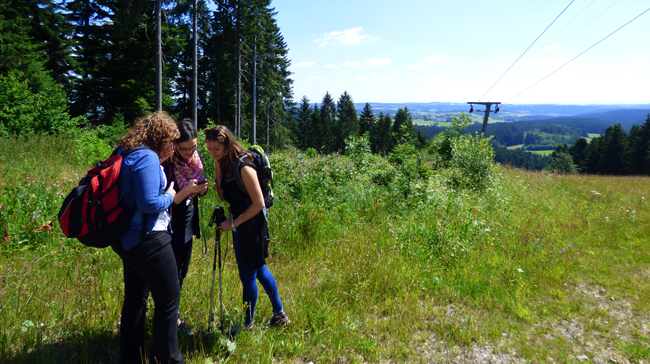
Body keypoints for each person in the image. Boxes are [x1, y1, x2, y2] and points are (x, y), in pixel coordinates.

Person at [111, 111, 183, 364]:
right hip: (148, 238)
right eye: (171, 140)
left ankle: (132, 358)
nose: (173, 146)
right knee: (168, 300)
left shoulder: (124, 151)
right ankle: (168, 359)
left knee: (135, 298)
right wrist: (172, 194)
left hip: (125, 239)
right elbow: (150, 202)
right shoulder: (147, 157)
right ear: (161, 137)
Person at [204, 125, 289, 332]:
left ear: (227, 144)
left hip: (251, 226)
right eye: (209, 149)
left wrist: (233, 223)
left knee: (248, 276)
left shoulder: (244, 166)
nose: (212, 153)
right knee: (259, 269)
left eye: (215, 149)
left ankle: (247, 324)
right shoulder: (225, 164)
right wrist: (217, 166)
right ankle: (279, 314)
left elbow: (259, 203)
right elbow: (223, 197)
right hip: (241, 224)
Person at [162, 118, 208, 331]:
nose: (191, 152)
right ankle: (172, 320)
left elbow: (201, 187)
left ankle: (173, 317)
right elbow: (171, 199)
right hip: (171, 226)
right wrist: (189, 191)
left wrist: (201, 189)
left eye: (194, 147)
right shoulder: (167, 164)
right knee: (172, 274)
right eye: (186, 148)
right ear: (175, 145)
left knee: (183, 270)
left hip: (188, 222)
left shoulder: (195, 158)